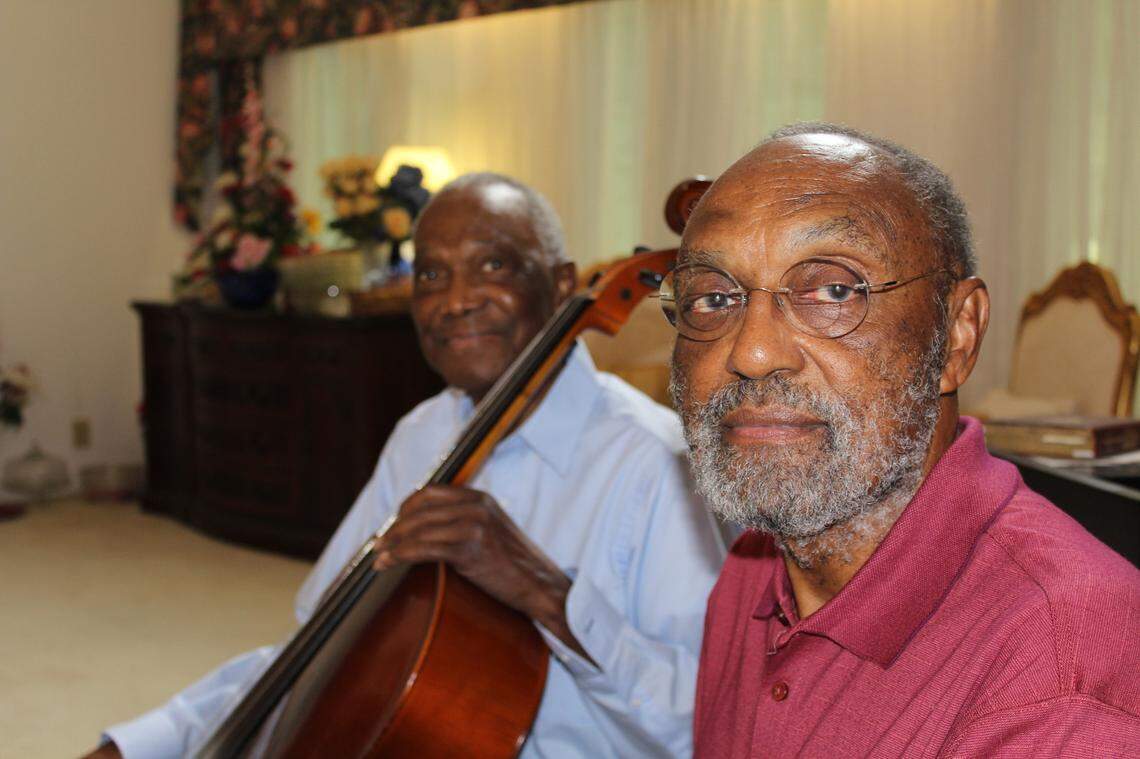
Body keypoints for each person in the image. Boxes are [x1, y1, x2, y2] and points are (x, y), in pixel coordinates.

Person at [90, 173, 725, 758]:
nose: (456, 300)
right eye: (431, 275)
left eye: (493, 265)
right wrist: (146, 743)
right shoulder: (423, 434)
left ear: (561, 285)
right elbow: (322, 646)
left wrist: (548, 595)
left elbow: (712, 721)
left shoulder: (658, 464)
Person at [666, 123, 1140, 757]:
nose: (751, 352)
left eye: (834, 290)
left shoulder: (1060, 682)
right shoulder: (756, 566)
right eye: (712, 298)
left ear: (956, 337)